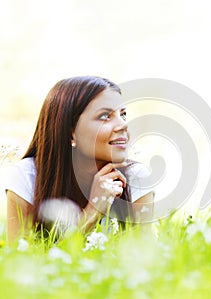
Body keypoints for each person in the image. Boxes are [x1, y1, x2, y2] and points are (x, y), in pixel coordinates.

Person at [5, 76, 154, 244]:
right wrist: (93, 211)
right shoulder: (27, 177)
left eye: (123, 115)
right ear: (70, 133)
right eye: (105, 116)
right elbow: (19, 263)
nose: (123, 125)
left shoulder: (135, 178)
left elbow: (146, 261)